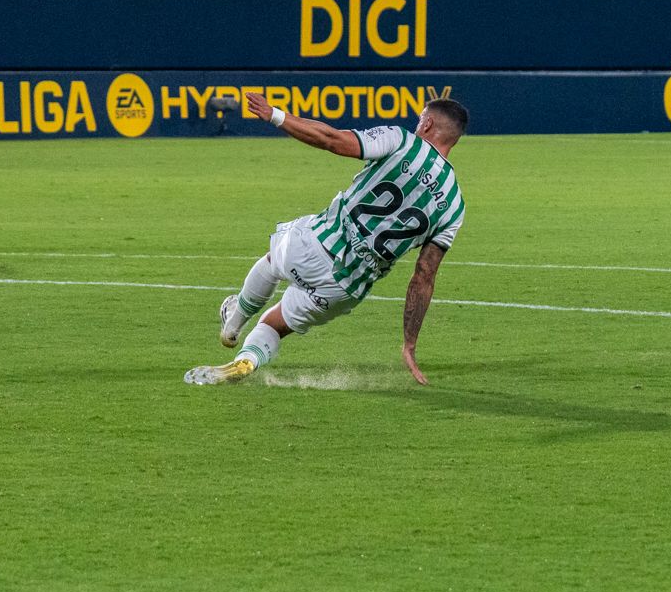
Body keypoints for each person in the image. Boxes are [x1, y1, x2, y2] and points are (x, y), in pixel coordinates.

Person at [187, 94, 470, 387]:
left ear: (428, 123)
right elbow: (424, 277)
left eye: (420, 119)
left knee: (272, 263)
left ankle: (233, 325)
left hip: (318, 243)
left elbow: (331, 140)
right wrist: (409, 344)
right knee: (274, 325)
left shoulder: (401, 141)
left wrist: (275, 115)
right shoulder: (454, 206)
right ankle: (247, 361)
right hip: (347, 288)